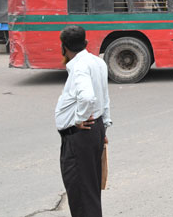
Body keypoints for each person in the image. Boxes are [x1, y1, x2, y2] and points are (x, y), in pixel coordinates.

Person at [55, 25, 112, 217]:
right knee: (89, 192)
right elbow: (104, 98)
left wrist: (78, 119)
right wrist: (103, 129)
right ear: (85, 43)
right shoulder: (97, 62)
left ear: (64, 47)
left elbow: (88, 97)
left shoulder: (79, 67)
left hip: (79, 136)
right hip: (94, 130)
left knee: (81, 195)